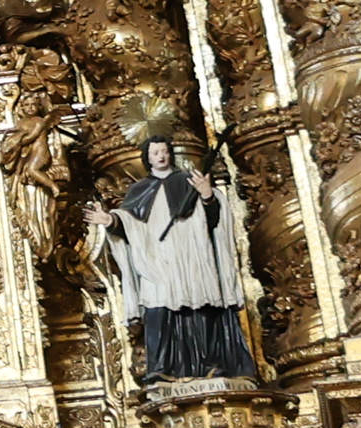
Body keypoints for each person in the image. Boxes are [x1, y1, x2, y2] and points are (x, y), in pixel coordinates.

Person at [88, 102, 259, 385]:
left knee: (201, 307)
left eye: (165, 151)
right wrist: (110, 220)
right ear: (148, 158)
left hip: (192, 256)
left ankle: (211, 364)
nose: (161, 156)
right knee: (159, 310)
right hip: (158, 261)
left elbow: (214, 220)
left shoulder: (189, 181)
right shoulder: (139, 190)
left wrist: (207, 195)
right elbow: (129, 222)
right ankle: (162, 366)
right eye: (155, 153)